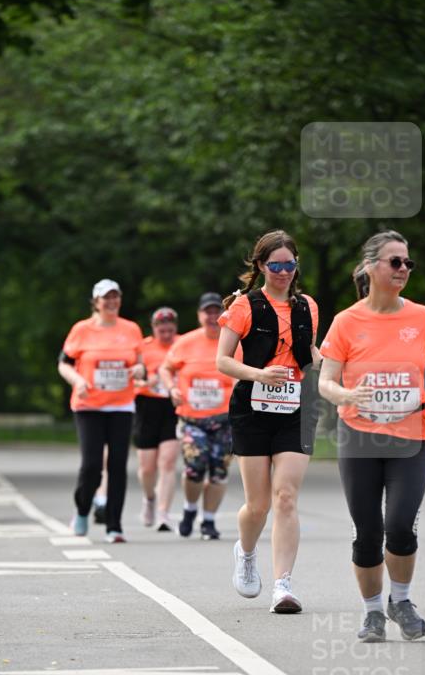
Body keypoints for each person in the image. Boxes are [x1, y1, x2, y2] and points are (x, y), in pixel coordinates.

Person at [318, 230, 425, 641]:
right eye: (395, 261)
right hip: (359, 437)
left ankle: (402, 601)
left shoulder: (423, 318)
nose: (403, 269)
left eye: (408, 262)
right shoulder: (346, 321)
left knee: (400, 526)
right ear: (371, 266)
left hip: (411, 437)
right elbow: (325, 381)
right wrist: (346, 395)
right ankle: (373, 612)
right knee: (368, 532)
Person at [216, 230, 321, 613]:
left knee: (286, 497)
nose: (283, 272)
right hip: (252, 409)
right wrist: (259, 374)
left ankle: (282, 586)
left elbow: (309, 350)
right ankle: (245, 553)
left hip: (296, 408)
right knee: (258, 505)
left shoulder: (308, 306)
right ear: (261, 266)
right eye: (275, 266)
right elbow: (222, 360)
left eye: (289, 264)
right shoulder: (243, 306)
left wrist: (327, 366)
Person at [58, 279, 144, 543]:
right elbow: (63, 364)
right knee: (92, 465)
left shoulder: (131, 329)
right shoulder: (81, 330)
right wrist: (78, 381)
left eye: (115, 296)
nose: (111, 302)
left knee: (117, 465)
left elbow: (140, 364)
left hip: (121, 405)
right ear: (96, 302)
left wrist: (139, 370)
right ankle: (83, 510)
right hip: (89, 405)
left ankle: (114, 526)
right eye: (106, 297)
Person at [159, 292, 236, 540]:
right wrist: (171, 388)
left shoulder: (235, 341)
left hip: (225, 419)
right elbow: (165, 368)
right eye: (207, 312)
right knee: (195, 466)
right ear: (199, 315)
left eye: (217, 312)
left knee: (218, 471)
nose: (212, 317)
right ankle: (190, 509)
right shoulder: (185, 343)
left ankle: (209, 520)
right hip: (192, 419)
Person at [134, 307, 181, 531]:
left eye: (170, 330)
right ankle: (149, 499)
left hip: (173, 406)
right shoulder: (143, 347)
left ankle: (163, 513)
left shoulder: (183, 344)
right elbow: (131, 378)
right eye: (162, 331)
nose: (166, 335)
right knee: (147, 467)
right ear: (154, 329)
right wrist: (146, 382)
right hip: (147, 406)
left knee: (168, 462)